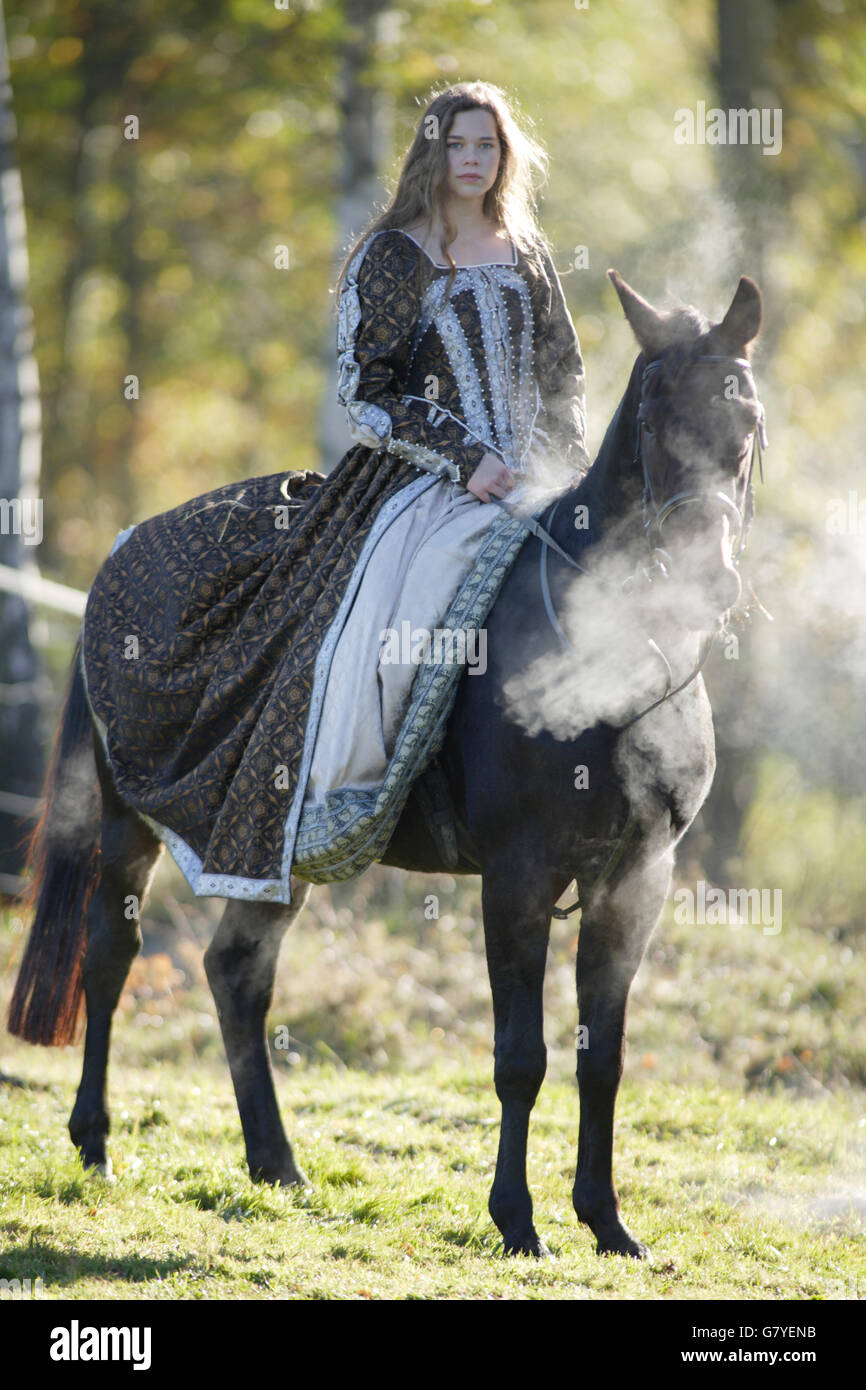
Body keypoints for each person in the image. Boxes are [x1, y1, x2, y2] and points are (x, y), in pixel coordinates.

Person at [80, 80, 589, 903]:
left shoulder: (527, 250)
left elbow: (564, 373)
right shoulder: (396, 254)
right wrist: (467, 460)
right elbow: (367, 392)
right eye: (456, 145)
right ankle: (360, 792)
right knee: (401, 618)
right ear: (432, 152)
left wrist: (567, 473)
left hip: (535, 477)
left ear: (505, 155)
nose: (471, 160)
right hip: (423, 482)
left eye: (486, 146)